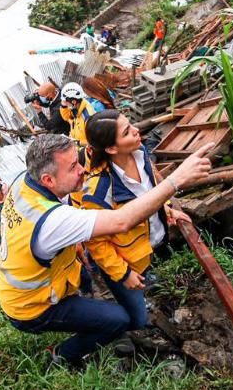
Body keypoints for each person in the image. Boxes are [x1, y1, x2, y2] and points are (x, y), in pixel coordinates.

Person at [0, 134, 212, 368]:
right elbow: (121, 221)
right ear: (48, 180)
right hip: (32, 306)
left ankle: (91, 313)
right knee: (118, 319)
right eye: (73, 167)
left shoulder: (24, 182)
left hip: (30, 280)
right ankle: (63, 356)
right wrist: (175, 181)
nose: (82, 170)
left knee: (86, 281)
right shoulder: (52, 221)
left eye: (79, 161)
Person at [79, 110, 191, 332]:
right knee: (136, 313)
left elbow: (151, 193)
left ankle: (145, 278)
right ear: (111, 148)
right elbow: (96, 243)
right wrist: (124, 274)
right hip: (123, 264)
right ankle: (137, 330)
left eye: (131, 125)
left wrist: (167, 209)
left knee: (145, 275)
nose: (137, 131)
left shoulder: (141, 154)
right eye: (127, 132)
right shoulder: (99, 192)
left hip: (144, 248)